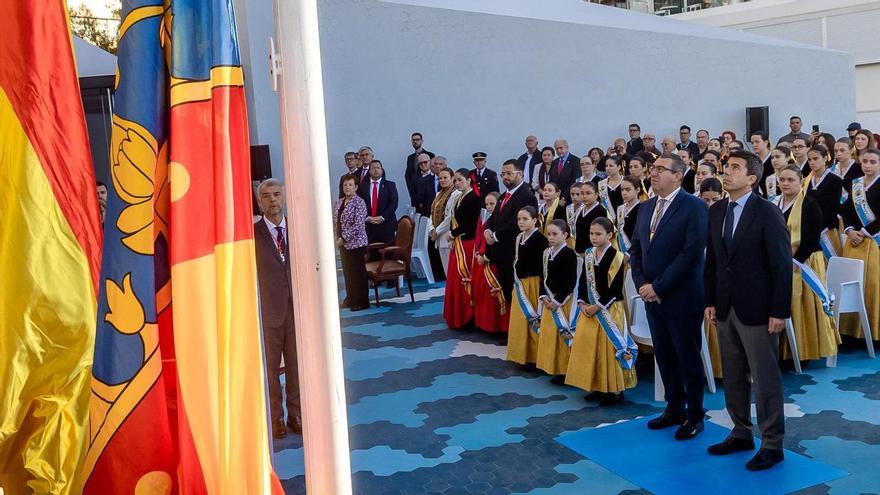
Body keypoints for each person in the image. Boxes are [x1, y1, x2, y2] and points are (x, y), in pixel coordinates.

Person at [705, 149, 792, 471]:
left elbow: (782, 265)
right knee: (732, 374)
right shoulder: (716, 212)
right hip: (725, 307)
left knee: (766, 378)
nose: (726, 172)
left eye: (735, 168)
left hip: (758, 309)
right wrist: (711, 300)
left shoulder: (767, 212)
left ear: (752, 178)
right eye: (726, 167)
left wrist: (779, 311)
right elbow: (713, 261)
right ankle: (740, 431)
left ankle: (773, 443)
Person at [629, 152, 708, 441]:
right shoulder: (646, 207)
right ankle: (674, 407)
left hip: (681, 295)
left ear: (678, 175)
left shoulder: (694, 207)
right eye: (653, 168)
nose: (654, 173)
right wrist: (641, 283)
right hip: (651, 295)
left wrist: (658, 287)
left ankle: (696, 414)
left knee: (687, 355)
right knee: (663, 354)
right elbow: (636, 249)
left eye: (661, 169)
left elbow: (690, 253)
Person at [566, 216, 637, 405]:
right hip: (589, 309)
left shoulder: (618, 257)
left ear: (610, 235)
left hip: (609, 308)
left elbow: (615, 288)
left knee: (608, 349)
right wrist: (581, 303)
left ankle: (614, 390)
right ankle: (596, 385)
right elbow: (582, 281)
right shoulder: (589, 254)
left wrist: (597, 306)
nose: (594, 237)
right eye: (591, 233)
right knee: (591, 348)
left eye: (598, 234)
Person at [774, 165, 840, 362]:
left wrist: (796, 260)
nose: (785, 183)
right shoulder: (774, 203)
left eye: (790, 180)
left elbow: (812, 238)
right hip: (780, 261)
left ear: (801, 181)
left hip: (804, 261)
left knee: (800, 303)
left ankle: (805, 351)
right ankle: (784, 350)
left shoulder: (810, 204)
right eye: (782, 179)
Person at [254, 178, 302, 438]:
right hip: (269, 312)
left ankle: (296, 413)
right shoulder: (253, 235)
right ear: (260, 202)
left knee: (296, 365)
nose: (273, 200)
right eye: (266, 196)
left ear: (283, 198)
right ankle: (275, 418)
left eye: (276, 194)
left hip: (297, 310)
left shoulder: (297, 230)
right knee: (270, 369)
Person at [484, 159, 539, 302]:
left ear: (520, 174)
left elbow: (517, 223)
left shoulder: (526, 195)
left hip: (514, 252)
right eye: (502, 174)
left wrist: (495, 235)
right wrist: (487, 230)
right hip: (500, 251)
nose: (505, 177)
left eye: (509, 173)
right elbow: (493, 217)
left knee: (514, 293)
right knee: (506, 291)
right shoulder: (504, 196)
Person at [840, 148, 880, 342]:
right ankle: (852, 331)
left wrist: (864, 232)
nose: (868, 165)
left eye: (873, 162)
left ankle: (873, 333)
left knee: (873, 285)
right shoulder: (855, 184)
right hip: (854, 242)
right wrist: (848, 230)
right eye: (865, 161)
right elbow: (845, 210)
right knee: (853, 285)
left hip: (874, 243)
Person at [535, 219, 579, 383]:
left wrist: (557, 301)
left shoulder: (569, 254)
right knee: (550, 336)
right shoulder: (546, 253)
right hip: (548, 300)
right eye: (549, 234)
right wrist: (543, 296)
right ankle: (552, 366)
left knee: (562, 336)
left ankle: (564, 370)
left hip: (562, 303)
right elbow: (543, 277)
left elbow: (570, 281)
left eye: (555, 234)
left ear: (565, 235)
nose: (551, 237)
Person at [506, 206, 548, 366]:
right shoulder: (519, 237)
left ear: (535, 221)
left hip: (534, 283)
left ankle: (534, 357)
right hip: (520, 283)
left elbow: (543, 267)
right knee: (519, 320)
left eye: (525, 219)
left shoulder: (541, 240)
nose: (521, 222)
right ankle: (521, 355)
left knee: (533, 319)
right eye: (519, 219)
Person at [444, 168, 481, 329]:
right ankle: (457, 315)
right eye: (456, 180)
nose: (457, 183)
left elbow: (469, 224)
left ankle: (468, 315)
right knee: (454, 279)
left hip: (467, 243)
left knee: (464, 278)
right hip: (459, 241)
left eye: (460, 180)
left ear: (468, 180)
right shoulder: (460, 196)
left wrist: (452, 234)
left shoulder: (473, 198)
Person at [334, 174, 371, 312]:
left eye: (350, 185)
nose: (347, 187)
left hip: (356, 243)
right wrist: (335, 238)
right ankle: (350, 299)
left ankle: (361, 301)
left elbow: (358, 225)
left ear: (356, 187)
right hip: (342, 243)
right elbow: (335, 222)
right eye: (345, 185)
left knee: (358, 273)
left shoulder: (360, 203)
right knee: (347, 272)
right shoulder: (339, 202)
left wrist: (342, 239)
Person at [472, 192, 508, 333]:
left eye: (492, 203)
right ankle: (485, 323)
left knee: (494, 295)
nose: (489, 207)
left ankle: (497, 326)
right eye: (487, 204)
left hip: (495, 261)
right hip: (485, 259)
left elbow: (498, 243)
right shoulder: (489, 219)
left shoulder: (501, 220)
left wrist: (485, 256)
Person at [805, 144, 844, 258]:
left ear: (825, 158)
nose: (812, 162)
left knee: (831, 262)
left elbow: (833, 207)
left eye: (815, 158)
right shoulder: (807, 181)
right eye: (809, 159)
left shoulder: (834, 180)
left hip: (827, 229)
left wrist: (818, 226)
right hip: (811, 229)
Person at [357, 159, 398, 245]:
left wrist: (382, 217)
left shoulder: (390, 185)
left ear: (382, 170)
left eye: (378, 168)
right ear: (369, 171)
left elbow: (393, 203)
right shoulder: (362, 187)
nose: (376, 170)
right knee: (372, 256)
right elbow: (359, 205)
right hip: (368, 226)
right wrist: (367, 217)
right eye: (373, 168)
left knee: (388, 254)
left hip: (386, 225)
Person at [430, 168, 459, 274]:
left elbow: (450, 217)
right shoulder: (438, 194)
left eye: (445, 177)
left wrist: (437, 231)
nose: (442, 180)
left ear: (452, 178)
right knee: (446, 270)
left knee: (452, 271)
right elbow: (431, 213)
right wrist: (432, 229)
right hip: (437, 235)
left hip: (447, 235)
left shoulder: (456, 194)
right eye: (440, 178)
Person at [574, 182, 608, 255]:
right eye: (582, 193)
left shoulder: (600, 211)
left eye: (588, 193)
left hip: (593, 253)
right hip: (580, 252)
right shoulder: (580, 209)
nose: (584, 196)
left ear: (596, 195)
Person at [404, 132, 435, 203]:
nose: (415, 142)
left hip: (428, 193)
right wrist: (411, 191)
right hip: (415, 193)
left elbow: (434, 172)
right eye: (413, 140)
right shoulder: (410, 158)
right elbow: (407, 175)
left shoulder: (430, 155)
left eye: (417, 139)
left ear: (422, 141)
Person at [615, 176, 642, 256]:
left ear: (637, 190)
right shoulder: (620, 208)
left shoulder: (642, 209)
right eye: (622, 189)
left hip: (636, 253)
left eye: (628, 189)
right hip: (620, 252)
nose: (624, 193)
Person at [832, 138, 862, 203]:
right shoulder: (832, 169)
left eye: (842, 150)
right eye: (836, 151)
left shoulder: (860, 169)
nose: (838, 153)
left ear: (851, 150)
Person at [750, 131, 773, 198]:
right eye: (752, 143)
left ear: (766, 142)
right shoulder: (753, 161)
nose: (754, 145)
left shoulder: (773, 159)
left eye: (757, 142)